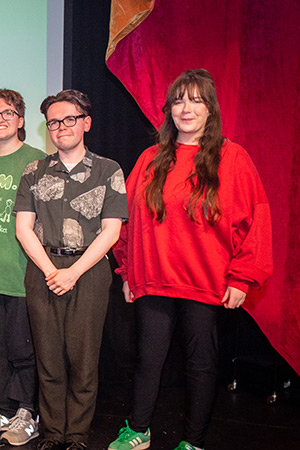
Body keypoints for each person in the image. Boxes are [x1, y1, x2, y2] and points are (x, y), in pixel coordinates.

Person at [107, 69, 272, 450]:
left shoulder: (233, 158)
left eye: (196, 100)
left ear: (210, 109)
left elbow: (256, 219)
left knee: (200, 365)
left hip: (205, 282)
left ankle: (193, 442)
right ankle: (139, 430)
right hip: (153, 279)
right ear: (169, 110)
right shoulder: (150, 158)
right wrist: (128, 272)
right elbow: (126, 220)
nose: (186, 108)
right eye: (179, 100)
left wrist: (242, 278)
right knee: (148, 360)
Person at [14, 90, 128, 450]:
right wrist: (51, 270)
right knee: (48, 359)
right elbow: (23, 228)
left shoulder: (108, 170)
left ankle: (77, 435)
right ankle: (53, 433)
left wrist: (73, 272)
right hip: (43, 267)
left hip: (89, 270)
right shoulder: (34, 170)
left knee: (83, 360)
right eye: (53, 122)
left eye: (69, 119)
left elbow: (111, 231)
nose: (60, 127)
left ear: (86, 123)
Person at [0, 89, 45, 446]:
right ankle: (3, 409)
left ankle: (27, 413)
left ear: (20, 119)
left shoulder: (37, 160)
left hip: (22, 274)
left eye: (7, 113)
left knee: (23, 349)